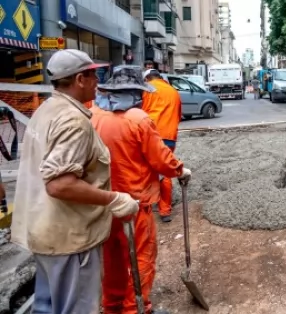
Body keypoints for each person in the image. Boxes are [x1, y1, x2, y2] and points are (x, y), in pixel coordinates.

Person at [10, 49, 139, 313]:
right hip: (70, 239)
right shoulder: (73, 121)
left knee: (47, 307)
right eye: (94, 75)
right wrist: (114, 199)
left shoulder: (47, 109)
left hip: (45, 232)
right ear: (80, 79)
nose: (98, 82)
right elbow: (60, 183)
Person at [91, 65, 191, 314]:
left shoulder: (92, 115)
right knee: (140, 259)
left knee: (112, 259)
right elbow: (160, 160)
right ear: (136, 92)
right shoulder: (138, 120)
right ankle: (135, 308)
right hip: (135, 203)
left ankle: (112, 306)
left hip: (104, 201)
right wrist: (180, 170)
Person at [142, 69, 182, 222]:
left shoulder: (146, 90)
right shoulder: (173, 91)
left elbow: (140, 113)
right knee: (165, 171)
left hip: (150, 135)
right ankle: (165, 211)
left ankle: (146, 205)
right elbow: (178, 115)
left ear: (147, 78)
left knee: (146, 169)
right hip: (169, 137)